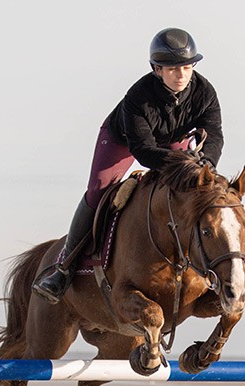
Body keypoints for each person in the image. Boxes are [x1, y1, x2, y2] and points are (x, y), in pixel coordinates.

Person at [32, 27, 224, 303]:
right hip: (123, 141)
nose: (181, 75)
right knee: (98, 191)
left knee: (193, 190)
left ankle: (206, 268)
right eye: (172, 69)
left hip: (173, 143)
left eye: (186, 67)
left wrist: (205, 163)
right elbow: (144, 151)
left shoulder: (205, 92)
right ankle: (63, 269)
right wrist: (181, 163)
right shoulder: (139, 96)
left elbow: (214, 135)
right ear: (157, 69)